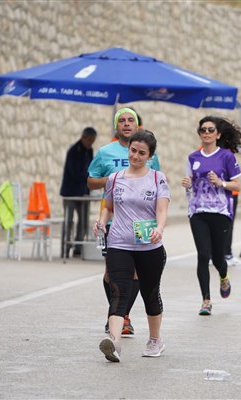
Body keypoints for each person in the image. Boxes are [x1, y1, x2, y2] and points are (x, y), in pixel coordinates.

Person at [95, 130, 170, 362]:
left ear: (150, 156)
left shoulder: (157, 178)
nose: (135, 156)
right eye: (133, 150)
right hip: (119, 243)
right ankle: (114, 343)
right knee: (118, 292)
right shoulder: (114, 178)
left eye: (141, 153)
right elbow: (108, 207)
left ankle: (155, 340)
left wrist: (159, 228)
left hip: (149, 247)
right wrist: (102, 221)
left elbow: (162, 210)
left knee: (150, 293)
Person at [88, 108, 161, 336]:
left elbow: (157, 184)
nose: (127, 124)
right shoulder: (105, 152)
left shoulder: (149, 152)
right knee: (111, 273)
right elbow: (91, 181)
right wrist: (116, 180)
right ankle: (117, 312)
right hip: (114, 219)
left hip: (142, 222)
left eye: (131, 120)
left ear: (137, 124)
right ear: (116, 125)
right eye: (122, 120)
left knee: (136, 273)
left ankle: (123, 316)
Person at [181, 116, 241, 316]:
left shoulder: (226, 156)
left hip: (220, 212)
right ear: (199, 133)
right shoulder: (193, 158)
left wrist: (221, 183)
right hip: (198, 211)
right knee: (203, 255)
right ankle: (206, 301)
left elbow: (237, 185)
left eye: (210, 130)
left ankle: (224, 276)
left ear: (218, 134)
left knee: (218, 259)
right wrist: (187, 184)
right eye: (203, 130)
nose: (206, 133)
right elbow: (190, 184)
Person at [60, 127, 97, 257]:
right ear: (83, 137)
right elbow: (74, 172)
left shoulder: (89, 151)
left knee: (83, 221)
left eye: (93, 141)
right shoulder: (73, 151)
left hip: (84, 193)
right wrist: (88, 178)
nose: (90, 143)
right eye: (89, 140)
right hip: (71, 193)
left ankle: (78, 247)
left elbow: (91, 167)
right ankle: (65, 247)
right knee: (68, 221)